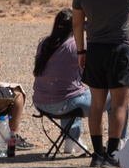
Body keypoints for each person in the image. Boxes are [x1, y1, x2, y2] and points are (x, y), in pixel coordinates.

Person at [72, 0, 129, 168]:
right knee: (120, 104)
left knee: (96, 104)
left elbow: (76, 24)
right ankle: (112, 154)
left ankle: (97, 153)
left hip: (95, 49)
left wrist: (81, 50)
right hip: (120, 50)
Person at [33, 9, 92, 154]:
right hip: (64, 104)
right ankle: (118, 143)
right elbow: (91, 72)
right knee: (119, 101)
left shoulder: (44, 43)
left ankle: (71, 141)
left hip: (41, 103)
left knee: (71, 89)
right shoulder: (77, 45)